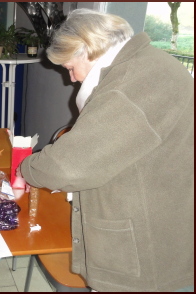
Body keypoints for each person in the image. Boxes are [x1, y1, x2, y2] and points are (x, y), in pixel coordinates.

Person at [19, 8, 194, 292]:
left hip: (147, 250)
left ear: (87, 49)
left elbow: (68, 166)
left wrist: (26, 168)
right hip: (161, 221)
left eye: (69, 68)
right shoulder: (148, 64)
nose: (72, 79)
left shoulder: (130, 85)